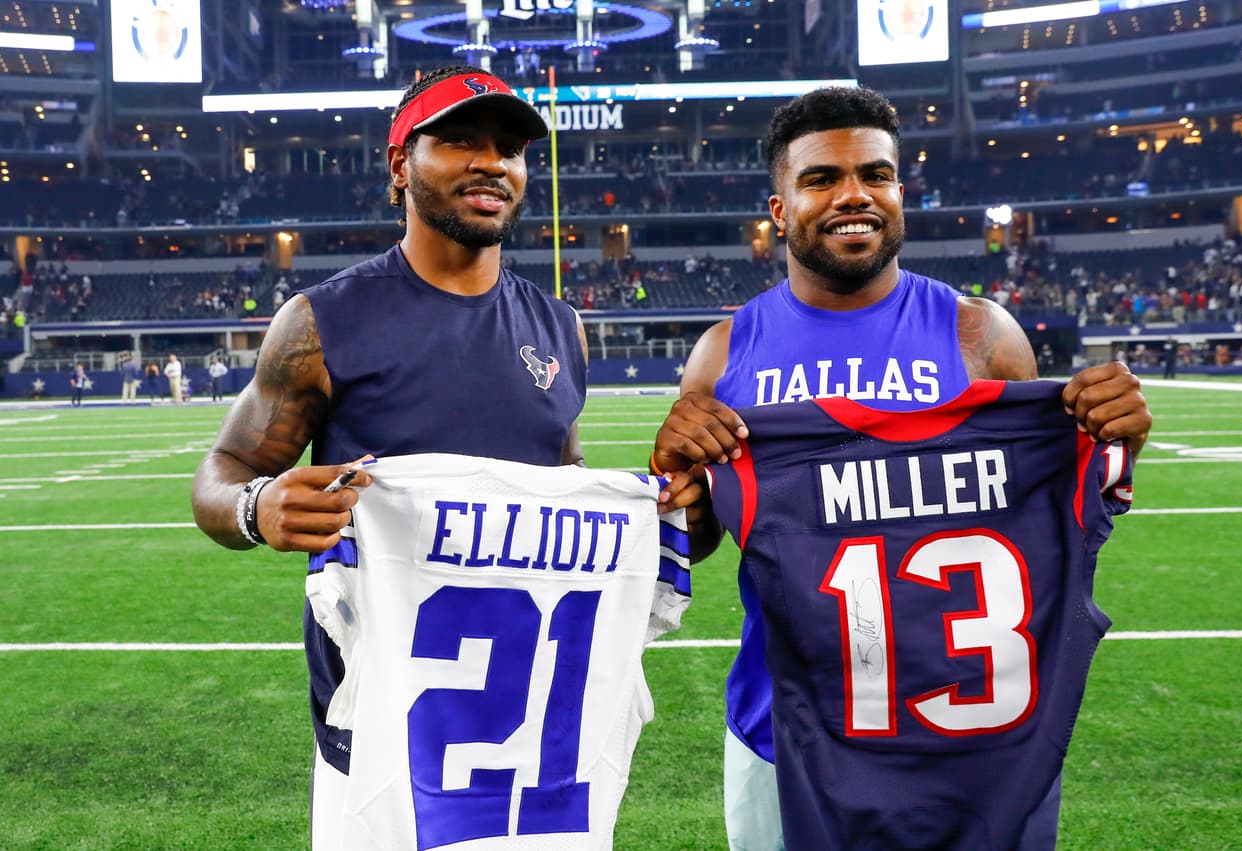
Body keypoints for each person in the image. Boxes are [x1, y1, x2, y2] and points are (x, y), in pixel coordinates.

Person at [650, 85, 1152, 851]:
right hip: (783, 729)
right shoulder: (725, 352)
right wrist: (676, 478)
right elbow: (703, 535)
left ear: (899, 191)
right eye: (821, 179)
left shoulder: (981, 335)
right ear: (780, 209)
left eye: (876, 174)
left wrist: (1114, 440)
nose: (854, 195)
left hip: (968, 731)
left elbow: (1053, 519)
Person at [192, 65, 593, 847]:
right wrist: (257, 507)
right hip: (374, 732)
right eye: (460, 141)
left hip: (529, 731)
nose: (493, 162)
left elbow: (563, 483)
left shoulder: (561, 328)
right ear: (400, 164)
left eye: (509, 148)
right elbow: (223, 470)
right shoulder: (320, 322)